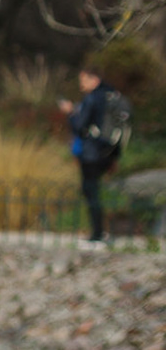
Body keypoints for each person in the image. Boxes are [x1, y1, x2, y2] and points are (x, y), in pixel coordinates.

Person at [62, 62, 116, 247]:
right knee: (95, 191)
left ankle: (97, 233)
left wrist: (71, 113)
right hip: (107, 150)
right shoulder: (110, 95)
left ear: (94, 80)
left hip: (91, 152)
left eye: (83, 80)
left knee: (90, 190)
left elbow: (79, 126)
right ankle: (100, 231)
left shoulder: (92, 99)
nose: (81, 85)